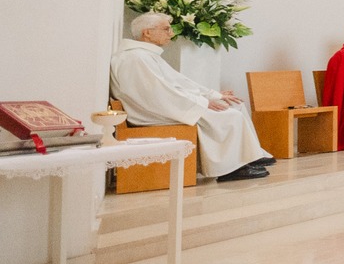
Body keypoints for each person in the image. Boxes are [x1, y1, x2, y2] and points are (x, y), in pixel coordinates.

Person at [108, 13, 271, 181]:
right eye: (166, 29)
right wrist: (202, 103)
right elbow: (160, 94)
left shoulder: (144, 55)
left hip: (164, 106)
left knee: (234, 105)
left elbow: (178, 83)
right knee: (230, 115)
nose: (171, 33)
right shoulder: (136, 58)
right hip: (151, 113)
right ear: (147, 32)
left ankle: (249, 157)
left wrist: (212, 95)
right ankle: (229, 169)